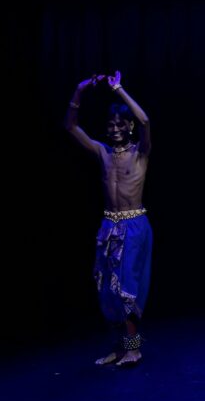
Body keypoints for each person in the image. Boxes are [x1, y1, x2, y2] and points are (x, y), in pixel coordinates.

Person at [65, 71, 152, 367]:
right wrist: (79, 91)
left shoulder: (140, 153)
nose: (114, 129)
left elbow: (145, 121)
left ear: (127, 127)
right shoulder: (102, 153)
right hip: (108, 226)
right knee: (107, 292)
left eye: (120, 124)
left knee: (126, 289)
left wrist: (119, 90)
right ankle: (118, 347)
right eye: (111, 125)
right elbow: (71, 126)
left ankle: (134, 348)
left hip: (133, 225)